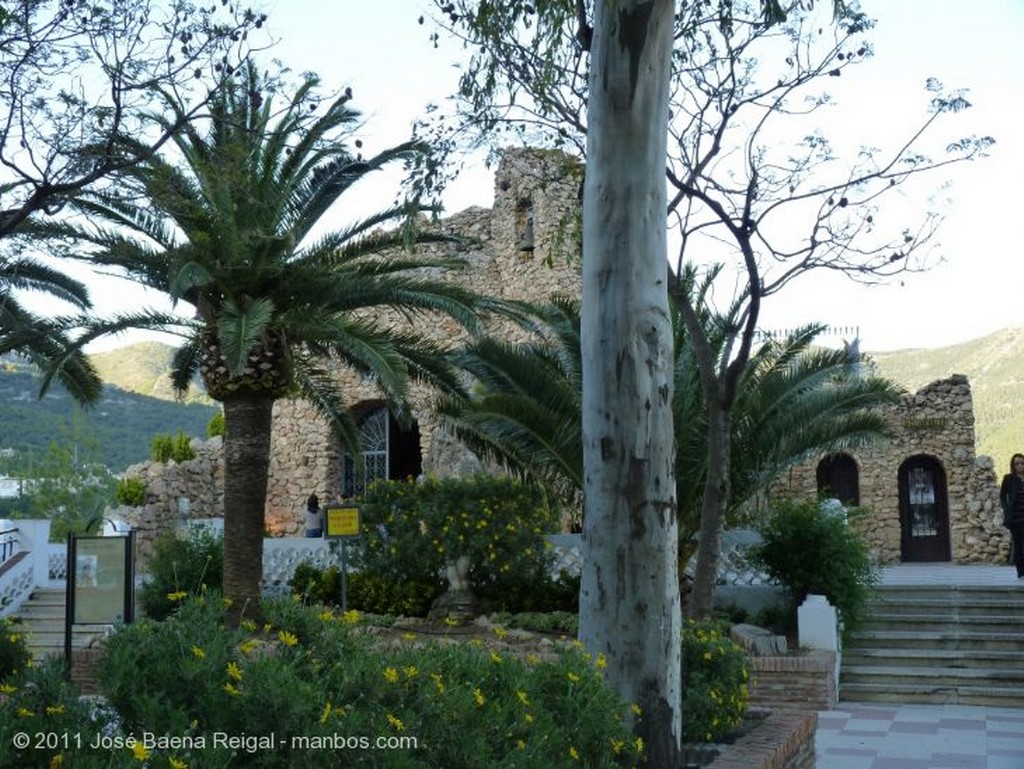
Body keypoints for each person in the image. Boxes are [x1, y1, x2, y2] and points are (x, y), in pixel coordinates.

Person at [999, 453, 1024, 578]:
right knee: (1019, 545)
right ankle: (1020, 572)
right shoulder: (1008, 479)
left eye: (1022, 463)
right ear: (1013, 466)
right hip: (1015, 519)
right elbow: (1002, 495)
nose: (1019, 466)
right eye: (1017, 463)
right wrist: (1006, 509)